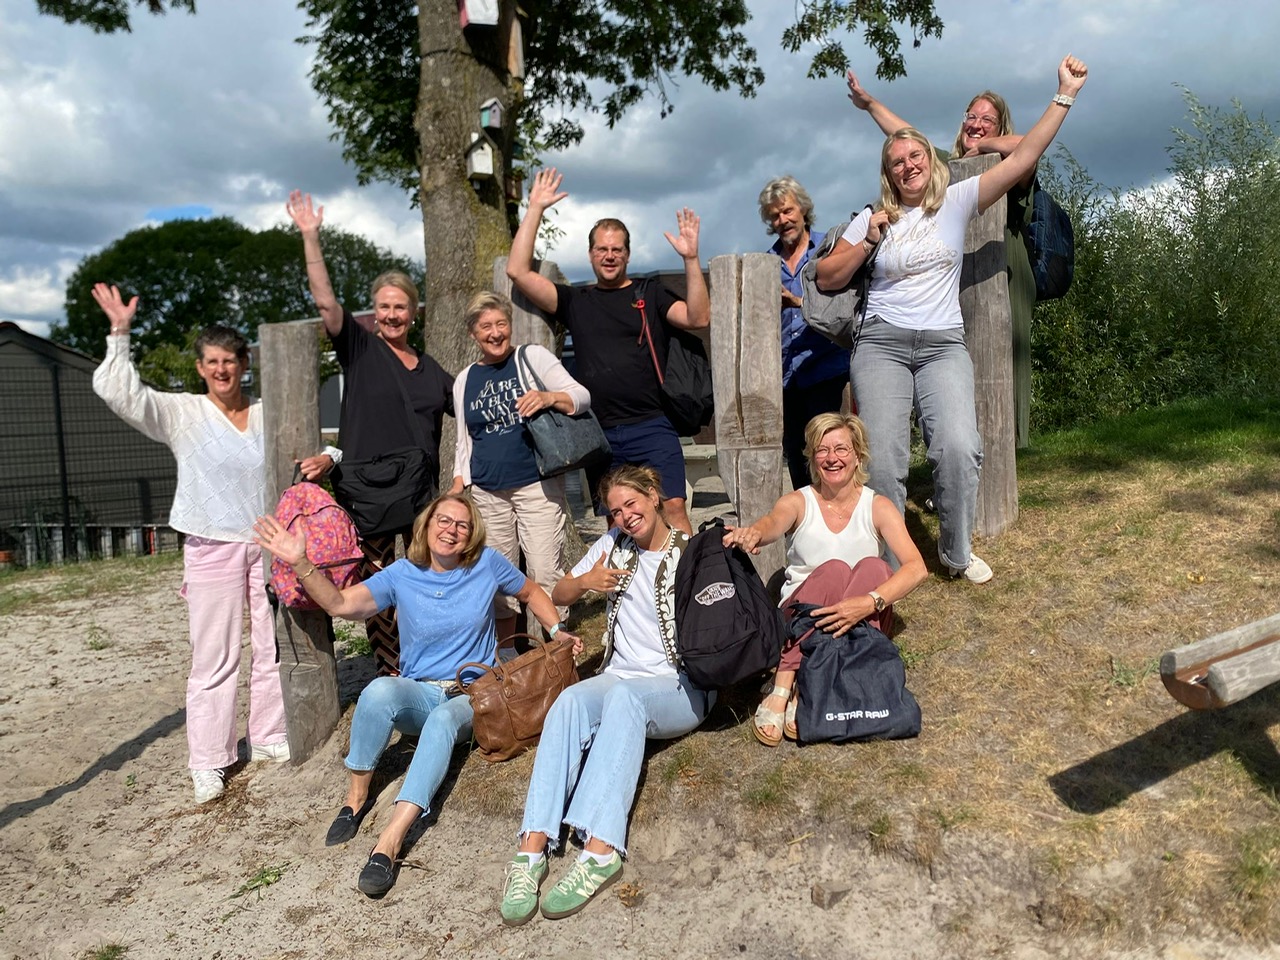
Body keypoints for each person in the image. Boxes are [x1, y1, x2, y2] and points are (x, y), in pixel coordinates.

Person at [816, 55, 1089, 584]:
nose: (908, 166)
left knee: (961, 448)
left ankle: (956, 553)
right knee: (887, 462)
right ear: (888, 173)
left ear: (930, 159)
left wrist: (1065, 94)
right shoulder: (872, 217)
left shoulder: (957, 200)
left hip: (942, 344)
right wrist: (867, 240)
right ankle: (888, 565)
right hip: (881, 346)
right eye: (897, 162)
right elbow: (827, 278)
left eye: (915, 155)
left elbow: (1025, 155)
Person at [253, 493, 578, 898]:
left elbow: (529, 592)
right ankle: (356, 798)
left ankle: (390, 840)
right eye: (444, 520)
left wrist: (557, 630)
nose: (451, 530)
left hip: (472, 694)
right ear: (426, 525)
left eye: (462, 525)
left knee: (443, 721)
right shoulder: (401, 574)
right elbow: (340, 604)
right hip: (420, 690)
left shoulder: (486, 564)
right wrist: (302, 563)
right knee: (378, 690)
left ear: (472, 534)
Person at [90, 283, 287, 804]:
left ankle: (268, 734)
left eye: (230, 360)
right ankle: (209, 760)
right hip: (211, 545)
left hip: (268, 544)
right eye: (212, 362)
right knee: (214, 656)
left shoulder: (267, 412)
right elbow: (121, 394)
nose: (222, 370)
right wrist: (119, 333)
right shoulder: (182, 412)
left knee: (271, 644)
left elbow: (308, 446)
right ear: (200, 367)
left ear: (244, 364)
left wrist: (326, 459)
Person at [498, 465, 713, 923]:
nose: (625, 517)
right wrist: (586, 583)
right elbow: (560, 591)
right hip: (620, 674)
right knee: (570, 701)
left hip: (680, 685)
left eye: (631, 504)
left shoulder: (689, 551)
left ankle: (600, 852)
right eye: (615, 511)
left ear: (654, 496)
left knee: (625, 700)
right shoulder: (613, 545)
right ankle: (532, 849)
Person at [287, 190, 454, 676]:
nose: (392, 315)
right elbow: (325, 301)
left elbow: (466, 410)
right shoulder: (359, 349)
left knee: (429, 577)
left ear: (414, 312)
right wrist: (310, 236)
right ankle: (390, 669)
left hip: (419, 493)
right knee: (378, 583)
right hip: (371, 492)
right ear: (374, 312)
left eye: (401, 307)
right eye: (384, 307)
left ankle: (433, 661)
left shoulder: (431, 370)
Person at [506, 168, 709, 535]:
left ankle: (689, 572)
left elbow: (698, 317)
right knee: (617, 521)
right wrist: (535, 208)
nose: (610, 256)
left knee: (674, 508)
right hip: (599, 431)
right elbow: (518, 271)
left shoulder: (650, 293)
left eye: (617, 250)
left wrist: (691, 259)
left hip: (651, 424)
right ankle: (626, 575)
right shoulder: (576, 301)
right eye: (602, 249)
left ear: (628, 254)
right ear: (590, 254)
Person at [845, 72, 1038, 450]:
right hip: (950, 278)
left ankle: (1009, 447)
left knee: (1002, 359)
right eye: (971, 116)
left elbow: (1027, 147)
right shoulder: (944, 166)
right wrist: (869, 104)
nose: (976, 124)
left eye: (987, 119)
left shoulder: (1002, 159)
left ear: (1001, 126)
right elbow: (907, 139)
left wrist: (985, 145)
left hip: (999, 271)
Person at [723, 413, 927, 745]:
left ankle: (803, 681)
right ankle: (787, 683)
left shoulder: (877, 506)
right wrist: (754, 533)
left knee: (874, 569)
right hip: (803, 618)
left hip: (858, 621)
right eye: (822, 449)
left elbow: (916, 567)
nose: (832, 458)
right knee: (834, 570)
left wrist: (869, 602)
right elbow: (773, 522)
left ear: (857, 455)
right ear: (813, 458)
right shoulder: (799, 501)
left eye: (841, 449)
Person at [448, 290, 590, 648]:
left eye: (501, 324)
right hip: (487, 492)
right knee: (498, 579)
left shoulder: (531, 358)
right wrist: (458, 483)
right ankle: (510, 656)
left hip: (536, 485)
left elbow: (582, 397)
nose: (495, 333)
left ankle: (555, 651)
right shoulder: (465, 379)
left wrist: (548, 397)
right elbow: (464, 439)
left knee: (544, 571)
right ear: (473, 333)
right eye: (486, 327)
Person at [758, 175, 852, 491]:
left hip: (827, 370)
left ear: (803, 209)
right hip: (786, 379)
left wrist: (797, 301)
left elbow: (842, 306)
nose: (783, 220)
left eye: (787, 210)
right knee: (799, 461)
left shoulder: (830, 248)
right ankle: (807, 520)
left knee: (834, 453)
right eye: (775, 215)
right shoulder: (765, 264)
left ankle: (843, 515)